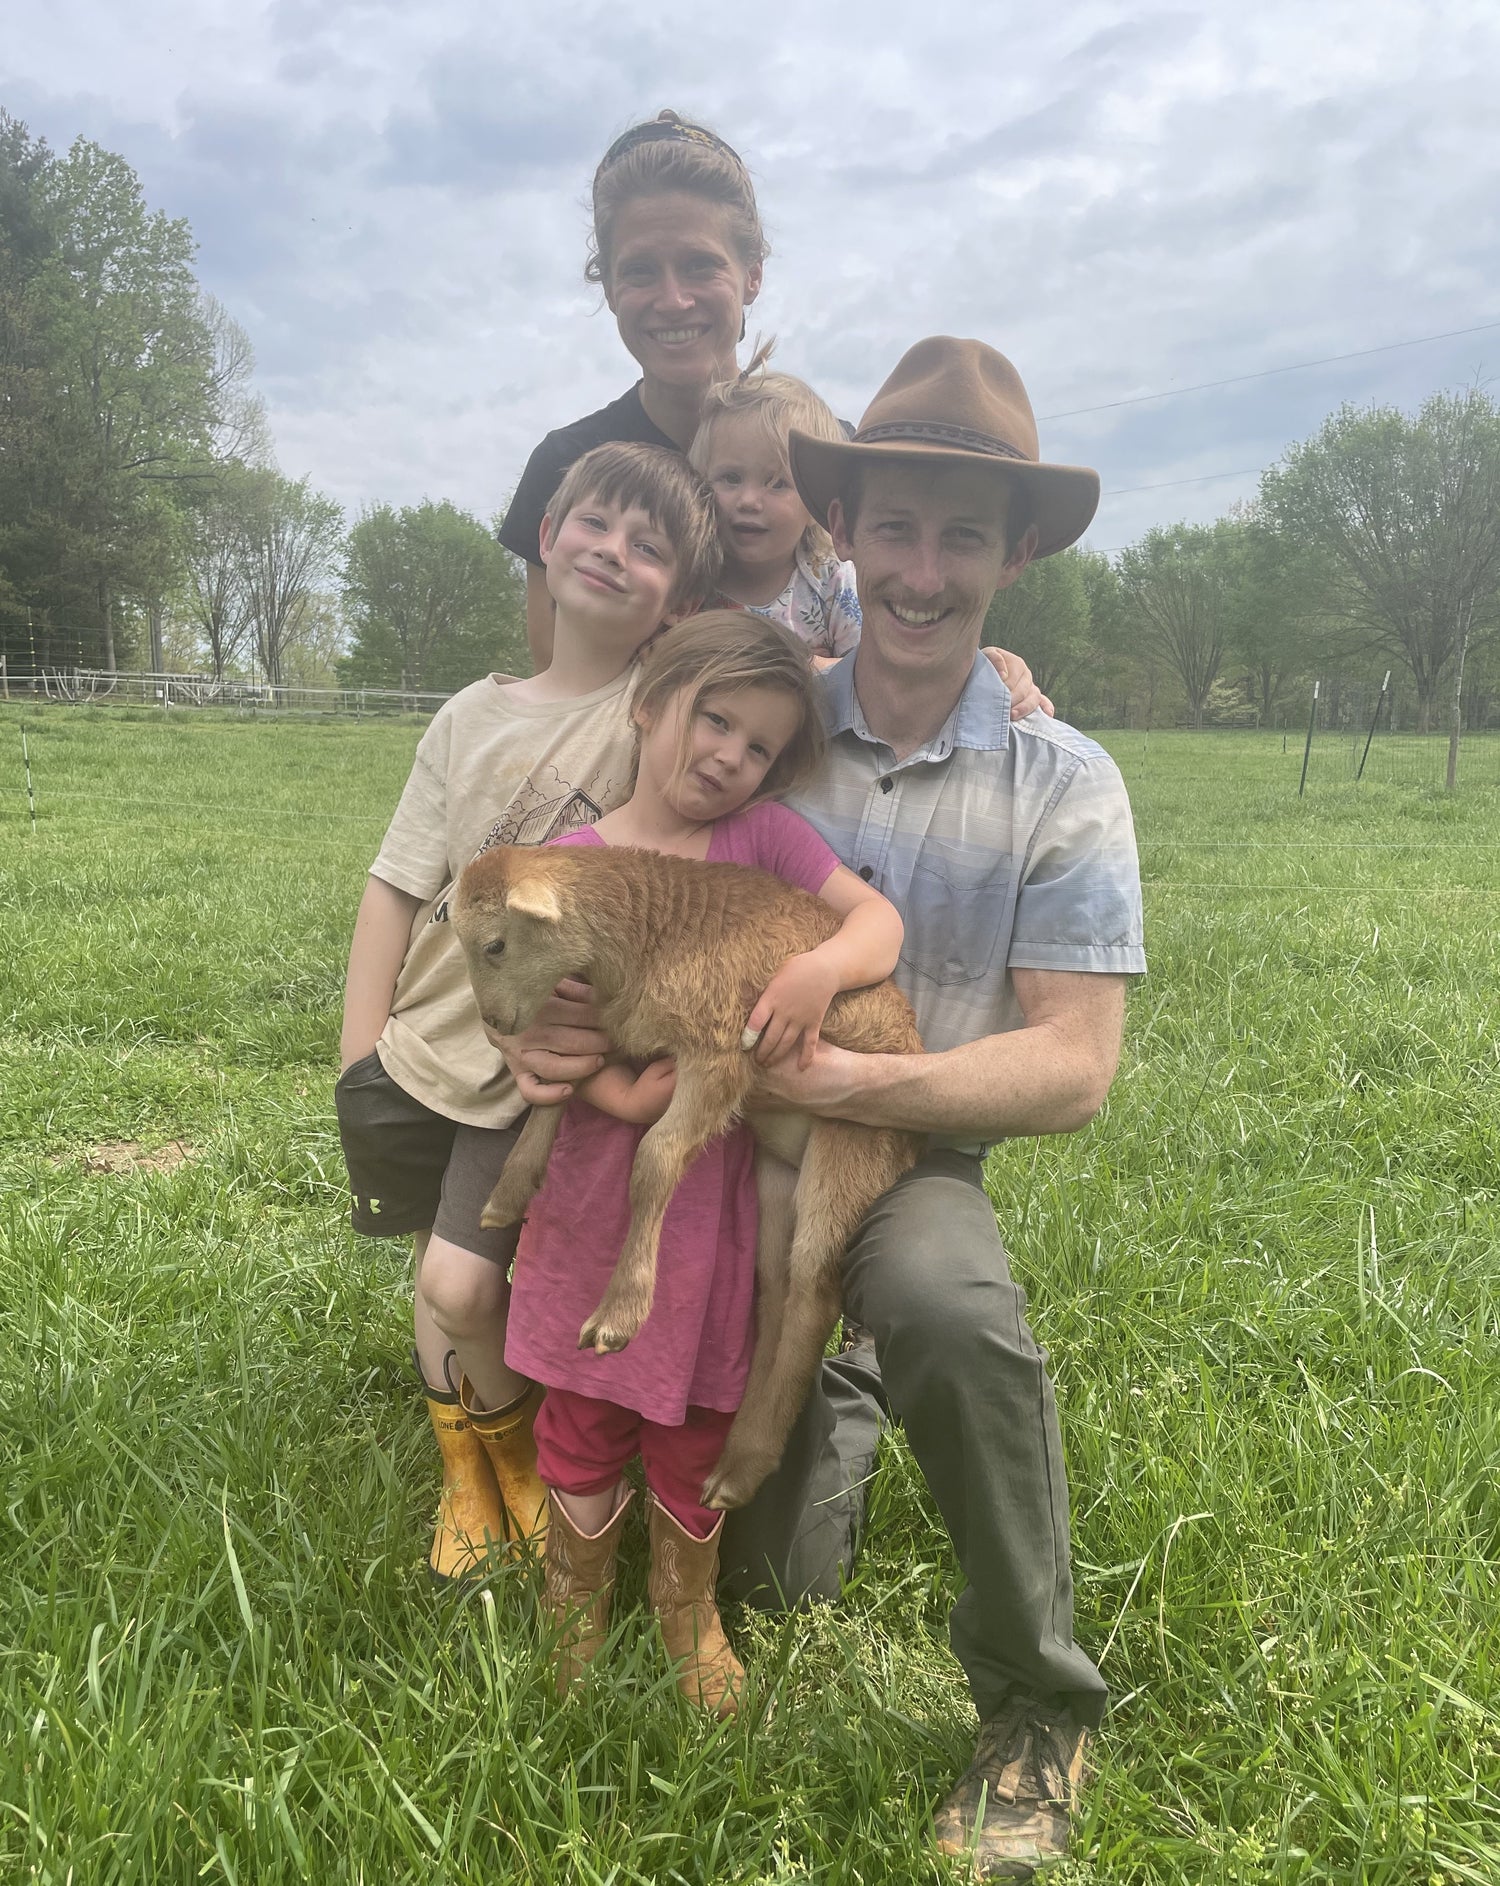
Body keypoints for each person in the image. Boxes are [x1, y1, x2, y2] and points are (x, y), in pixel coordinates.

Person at [505, 338, 1146, 1880]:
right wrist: (554, 1050)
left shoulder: (1063, 778)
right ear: (843, 533)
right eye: (900, 528)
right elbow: (624, 880)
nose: (926, 571)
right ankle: (816, 1394)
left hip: (891, 1144)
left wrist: (861, 1080)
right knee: (779, 1570)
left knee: (942, 1294)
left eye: (966, 535)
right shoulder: (769, 719)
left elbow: (1073, 1066)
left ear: (1017, 555)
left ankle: (1035, 1708)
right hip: (708, 1144)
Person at [504, 611, 904, 1717]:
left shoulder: (767, 841)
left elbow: (875, 921)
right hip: (596, 1187)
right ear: (650, 702)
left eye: (758, 745)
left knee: (693, 1411)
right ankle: (573, 1595)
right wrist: (606, 1088)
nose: (728, 754)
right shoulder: (575, 862)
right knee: (582, 1405)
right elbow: (532, 1019)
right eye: (713, 719)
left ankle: (689, 1604)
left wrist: (820, 972)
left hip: (712, 1193)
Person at [335, 440, 720, 1585]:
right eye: (593, 524)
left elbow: (783, 675)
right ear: (545, 538)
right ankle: (475, 1477)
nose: (612, 551)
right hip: (420, 1050)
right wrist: (360, 1052)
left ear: (679, 598)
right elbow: (396, 882)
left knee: (463, 1280)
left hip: (539, 1076)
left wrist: (997, 660)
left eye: (649, 546)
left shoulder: (660, 712)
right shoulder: (466, 714)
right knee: (436, 1282)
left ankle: (537, 1480)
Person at [496, 109, 1046, 719]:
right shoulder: (570, 466)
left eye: (701, 265)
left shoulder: (834, 451)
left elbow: (909, 600)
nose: (673, 299)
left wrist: (987, 663)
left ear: (753, 275)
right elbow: (559, 679)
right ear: (608, 289)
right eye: (641, 271)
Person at [688, 355, 862, 664]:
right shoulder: (691, 584)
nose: (749, 500)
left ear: (815, 503)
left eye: (777, 483)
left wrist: (815, 669)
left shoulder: (831, 581)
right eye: (731, 478)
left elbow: (866, 674)